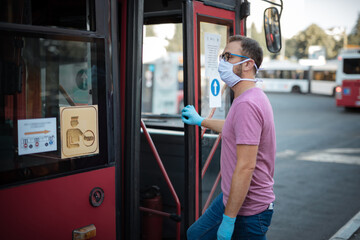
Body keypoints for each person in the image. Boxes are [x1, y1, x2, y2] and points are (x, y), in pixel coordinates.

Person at [182, 35, 276, 240]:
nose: (222, 63)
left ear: (248, 64)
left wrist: (229, 220)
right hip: (235, 199)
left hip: (249, 209)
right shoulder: (251, 97)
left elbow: (246, 167)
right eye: (221, 56)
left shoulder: (246, 104)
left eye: (228, 57)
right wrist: (200, 121)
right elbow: (234, 128)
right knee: (195, 234)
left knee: (196, 236)